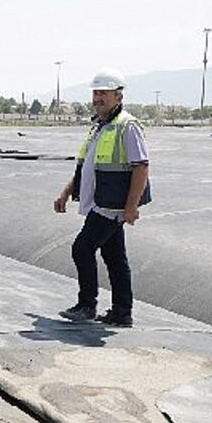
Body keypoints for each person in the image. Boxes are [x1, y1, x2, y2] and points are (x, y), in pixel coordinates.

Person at [54, 67, 151, 327]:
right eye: (96, 93)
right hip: (101, 201)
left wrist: (131, 207)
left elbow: (141, 166)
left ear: (118, 96)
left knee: (82, 248)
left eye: (104, 94)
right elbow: (86, 166)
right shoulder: (99, 127)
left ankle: (87, 305)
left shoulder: (127, 126)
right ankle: (122, 312)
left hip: (111, 206)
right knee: (114, 256)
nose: (98, 98)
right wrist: (66, 192)